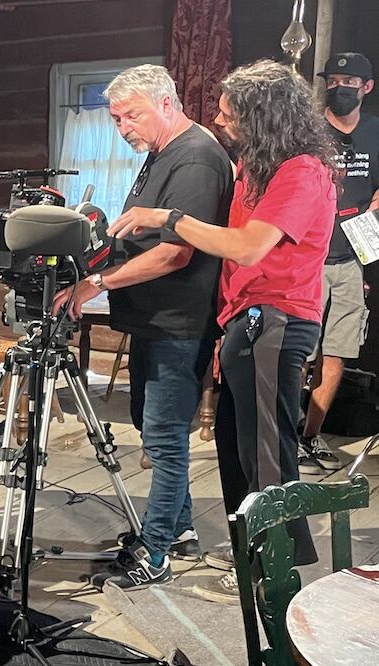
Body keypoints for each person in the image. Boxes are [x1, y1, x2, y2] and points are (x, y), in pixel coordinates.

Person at [107, 59, 338, 603]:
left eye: (232, 115)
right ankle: (254, 559)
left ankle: (280, 572)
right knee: (238, 451)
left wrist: (167, 218)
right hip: (247, 321)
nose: (220, 121)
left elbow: (248, 246)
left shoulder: (302, 171)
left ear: (265, 117)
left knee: (265, 453)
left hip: (277, 318)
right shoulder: (261, 169)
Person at [52, 65, 233, 591]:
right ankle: (172, 530)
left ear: (167, 103)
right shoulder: (161, 153)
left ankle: (155, 553)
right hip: (153, 321)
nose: (122, 127)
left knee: (167, 439)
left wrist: (97, 284)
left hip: (178, 323)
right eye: (115, 119)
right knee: (155, 429)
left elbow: (176, 255)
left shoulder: (196, 157)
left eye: (131, 115)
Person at [299, 53, 378, 474]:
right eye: (332, 80)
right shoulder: (310, 132)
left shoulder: (375, 131)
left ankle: (309, 437)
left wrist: (369, 225)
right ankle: (283, 436)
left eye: (349, 80)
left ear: (367, 87)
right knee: (297, 354)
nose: (339, 87)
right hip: (305, 261)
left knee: (338, 353)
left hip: (351, 260)